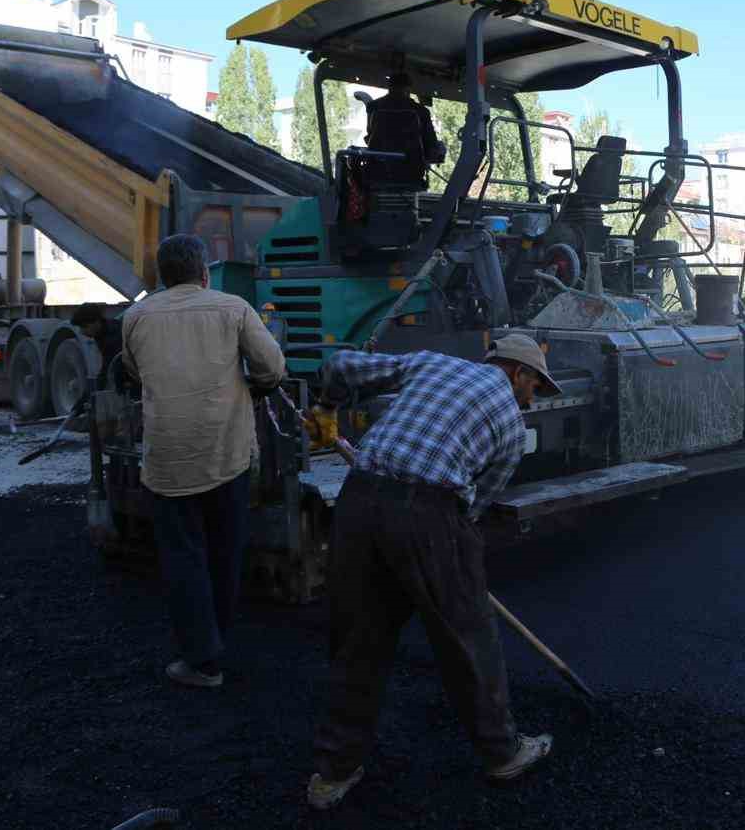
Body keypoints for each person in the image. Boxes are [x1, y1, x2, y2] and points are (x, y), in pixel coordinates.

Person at [306, 335, 560, 810]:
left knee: (358, 639)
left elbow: (340, 365)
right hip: (430, 513)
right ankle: (503, 753)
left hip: (358, 502)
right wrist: (447, 560)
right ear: (517, 372)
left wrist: (326, 408)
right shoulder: (510, 428)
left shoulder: (432, 363)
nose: (532, 399)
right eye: (535, 387)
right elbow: (472, 509)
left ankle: (333, 773)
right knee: (468, 638)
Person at [121, 234, 285, 688]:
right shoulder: (234, 309)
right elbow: (272, 367)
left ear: (161, 276)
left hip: (168, 462)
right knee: (224, 551)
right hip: (226, 454)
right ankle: (217, 642)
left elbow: (134, 371)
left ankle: (201, 659)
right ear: (204, 274)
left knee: (183, 557)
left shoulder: (136, 317)